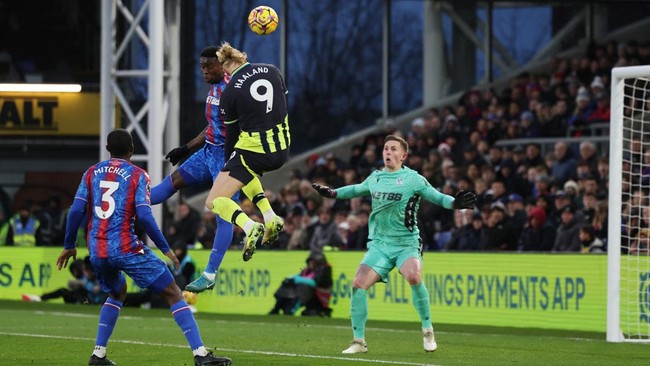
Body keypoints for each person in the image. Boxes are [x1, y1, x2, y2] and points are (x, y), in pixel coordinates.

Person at [56, 128, 231, 366]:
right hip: (126, 247)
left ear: (108, 150)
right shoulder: (137, 175)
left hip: (97, 250)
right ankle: (201, 355)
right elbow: (145, 217)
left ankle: (98, 354)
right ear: (132, 151)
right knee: (172, 291)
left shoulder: (92, 173)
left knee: (117, 291)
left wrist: (69, 246)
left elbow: (76, 211)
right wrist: (165, 248)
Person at [311, 135, 477, 354]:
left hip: (406, 243)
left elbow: (437, 197)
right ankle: (358, 342)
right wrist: (333, 193)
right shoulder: (376, 178)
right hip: (380, 244)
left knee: (414, 276)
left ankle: (428, 330)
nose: (387, 152)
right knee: (358, 285)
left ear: (403, 155)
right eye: (385, 148)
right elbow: (356, 189)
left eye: (393, 149)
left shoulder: (413, 179)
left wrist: (455, 203)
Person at [149, 46, 239, 294]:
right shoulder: (214, 89)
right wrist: (186, 148)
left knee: (223, 214)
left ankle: (210, 273)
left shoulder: (233, 91)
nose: (204, 71)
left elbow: (243, 127)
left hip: (228, 157)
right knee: (172, 182)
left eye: (209, 66)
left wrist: (239, 159)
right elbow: (211, 127)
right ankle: (128, 200)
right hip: (208, 151)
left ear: (222, 66)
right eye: (202, 66)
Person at [202, 42, 289, 266]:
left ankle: (250, 227)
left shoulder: (229, 93)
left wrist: (228, 164)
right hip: (282, 148)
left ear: (224, 65)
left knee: (213, 201)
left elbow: (231, 135)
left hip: (255, 150)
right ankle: (270, 217)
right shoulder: (272, 70)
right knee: (245, 169)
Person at [269, 253, 333, 317]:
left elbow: (314, 283)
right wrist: (290, 279)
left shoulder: (324, 271)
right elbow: (300, 276)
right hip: (310, 294)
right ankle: (277, 307)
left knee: (304, 287)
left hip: (319, 297)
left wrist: (296, 279)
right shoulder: (307, 270)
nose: (310, 263)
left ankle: (291, 310)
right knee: (287, 284)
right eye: (310, 261)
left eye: (313, 262)